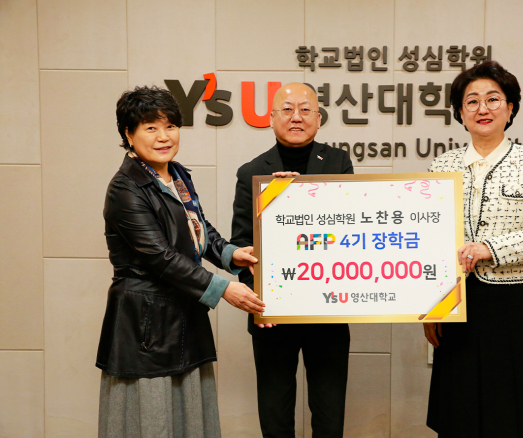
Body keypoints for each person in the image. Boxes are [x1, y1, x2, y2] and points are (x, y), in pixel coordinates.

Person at [96, 85, 265, 438]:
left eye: (170, 126)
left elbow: (196, 227)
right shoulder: (126, 188)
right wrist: (223, 289)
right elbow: (161, 257)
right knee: (153, 421)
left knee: (190, 418)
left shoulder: (177, 174)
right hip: (146, 326)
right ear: (129, 134)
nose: (164, 137)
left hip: (185, 313)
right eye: (151, 128)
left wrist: (228, 253)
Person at [424, 61, 523, 438]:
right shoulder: (442, 166)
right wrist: (431, 307)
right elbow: (429, 238)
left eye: (493, 99)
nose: (482, 108)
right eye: (471, 101)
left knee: (513, 413)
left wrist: (490, 248)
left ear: (510, 107)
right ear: (460, 112)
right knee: (459, 413)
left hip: (517, 304)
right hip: (458, 302)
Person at [230, 82, 354, 438]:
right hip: (273, 315)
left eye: (305, 109)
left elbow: (350, 232)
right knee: (275, 416)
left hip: (327, 310)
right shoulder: (251, 171)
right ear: (271, 118)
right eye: (287, 109)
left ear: (319, 118)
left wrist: (304, 196)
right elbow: (242, 244)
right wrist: (259, 301)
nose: (296, 117)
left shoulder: (338, 163)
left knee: (329, 417)